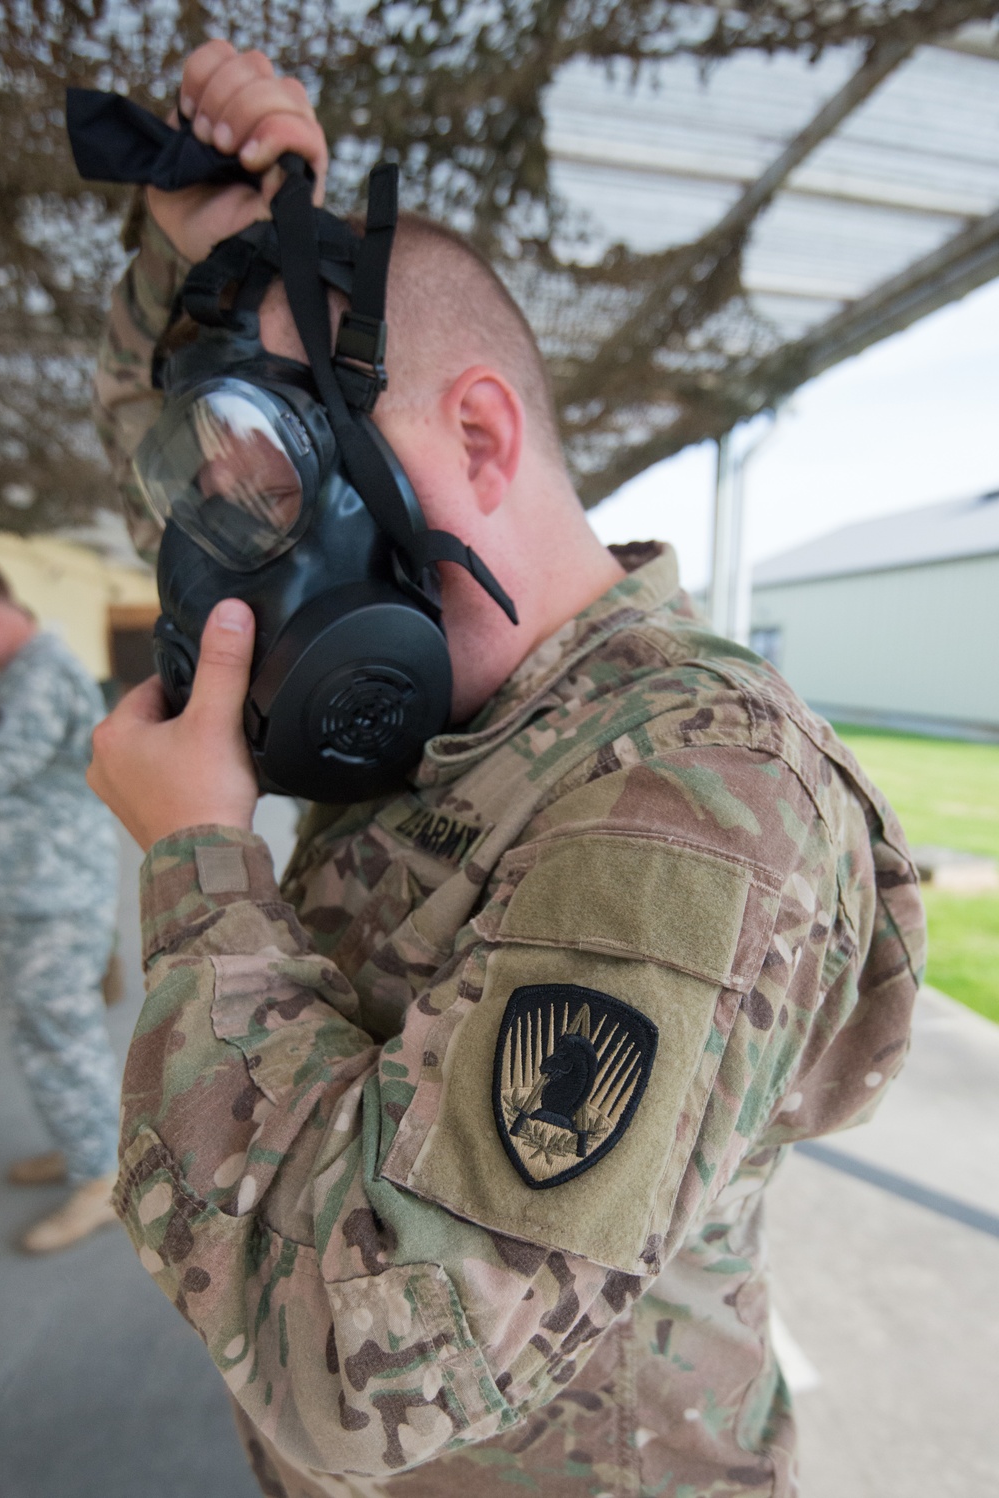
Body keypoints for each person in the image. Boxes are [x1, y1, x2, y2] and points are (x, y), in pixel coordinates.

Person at [88, 41, 926, 1498]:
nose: (243, 557)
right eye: (225, 502)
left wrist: (200, 864)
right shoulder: (434, 698)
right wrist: (204, 252)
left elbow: (359, 1372)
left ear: (476, 434)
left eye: (279, 483)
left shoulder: (700, 799)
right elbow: (164, 457)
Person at [0, 571, 121, 1252]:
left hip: (52, 892)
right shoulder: (24, 670)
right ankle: (85, 1144)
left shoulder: (41, 673)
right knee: (48, 1032)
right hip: (34, 889)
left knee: (58, 1034)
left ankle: (100, 1175)